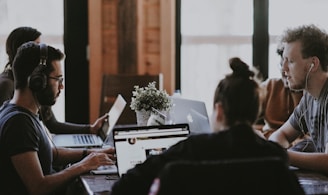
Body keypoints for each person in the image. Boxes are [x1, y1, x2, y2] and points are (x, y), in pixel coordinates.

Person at [111, 57, 288, 195]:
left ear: (218, 110)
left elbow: (124, 187)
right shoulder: (275, 156)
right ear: (255, 111)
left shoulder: (191, 149)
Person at [0, 42, 116, 194]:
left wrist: (92, 154)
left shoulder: (18, 111)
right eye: (58, 79)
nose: (62, 87)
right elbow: (38, 187)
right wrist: (83, 166)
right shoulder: (19, 123)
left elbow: (51, 154)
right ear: (37, 81)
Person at [0, 26, 107, 135]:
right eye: (36, 46)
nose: (43, 55)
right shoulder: (6, 85)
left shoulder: (39, 83)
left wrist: (90, 129)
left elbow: (53, 125)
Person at [269, 24, 328, 173]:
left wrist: (282, 155)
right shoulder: (309, 97)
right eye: (284, 61)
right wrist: (276, 150)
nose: (284, 69)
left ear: (313, 64)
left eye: (291, 61)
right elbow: (281, 134)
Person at [256, 44, 303, 138]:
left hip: (301, 147)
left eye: (290, 63)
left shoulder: (313, 94)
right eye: (281, 65)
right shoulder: (270, 86)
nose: (283, 70)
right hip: (272, 141)